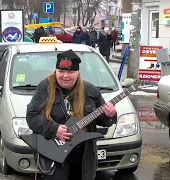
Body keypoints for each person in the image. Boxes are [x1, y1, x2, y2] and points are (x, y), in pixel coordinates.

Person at [26, 49, 117, 180]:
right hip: (54, 155)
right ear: (56, 71)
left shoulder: (90, 90)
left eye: (70, 72)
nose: (65, 76)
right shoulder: (45, 88)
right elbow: (31, 117)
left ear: (78, 73)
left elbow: (103, 121)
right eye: (61, 71)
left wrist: (110, 115)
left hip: (83, 157)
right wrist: (54, 129)